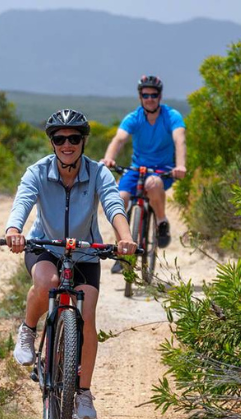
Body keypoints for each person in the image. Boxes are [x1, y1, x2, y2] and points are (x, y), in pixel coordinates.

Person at [4, 109, 137, 419]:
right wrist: (13, 230)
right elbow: (22, 202)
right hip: (45, 247)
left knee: (86, 314)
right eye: (60, 138)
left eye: (74, 138)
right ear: (52, 142)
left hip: (85, 253)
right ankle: (28, 329)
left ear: (83, 141)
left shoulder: (98, 173)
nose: (67, 144)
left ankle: (83, 393)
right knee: (47, 283)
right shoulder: (38, 171)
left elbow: (113, 204)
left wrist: (126, 237)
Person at [100, 75, 187, 273]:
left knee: (153, 184)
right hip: (137, 168)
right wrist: (109, 159)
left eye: (153, 95)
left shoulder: (172, 116)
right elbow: (119, 139)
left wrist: (180, 166)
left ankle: (161, 222)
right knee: (119, 198)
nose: (149, 99)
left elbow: (179, 140)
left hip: (162, 169)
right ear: (140, 97)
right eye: (145, 95)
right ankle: (122, 250)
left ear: (160, 96)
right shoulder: (134, 117)